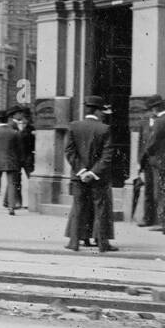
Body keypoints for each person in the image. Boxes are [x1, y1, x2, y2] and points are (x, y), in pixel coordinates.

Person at [63, 95, 115, 252]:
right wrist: (92, 172)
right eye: (103, 111)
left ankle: (74, 242)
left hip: (78, 177)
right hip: (99, 177)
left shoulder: (73, 126)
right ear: (98, 111)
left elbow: (69, 152)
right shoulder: (104, 128)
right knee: (101, 208)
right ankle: (102, 243)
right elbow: (107, 155)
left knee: (78, 207)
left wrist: (82, 171)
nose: (104, 114)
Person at [136, 94, 165, 229]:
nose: (150, 112)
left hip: (156, 162)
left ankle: (161, 223)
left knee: (158, 192)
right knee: (164, 191)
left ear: (155, 109)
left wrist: (142, 159)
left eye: (150, 109)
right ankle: (160, 221)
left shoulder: (160, 122)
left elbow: (151, 143)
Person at [0, 110, 24, 214]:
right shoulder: (14, 133)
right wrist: (19, 160)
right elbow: (20, 149)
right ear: (7, 119)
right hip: (11, 161)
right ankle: (11, 207)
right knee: (12, 184)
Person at [12, 107, 35, 210]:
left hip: (28, 157)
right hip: (16, 158)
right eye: (23, 117)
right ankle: (18, 202)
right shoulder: (12, 127)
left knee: (32, 179)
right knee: (17, 181)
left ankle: (32, 202)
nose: (24, 119)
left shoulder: (31, 128)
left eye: (26, 117)